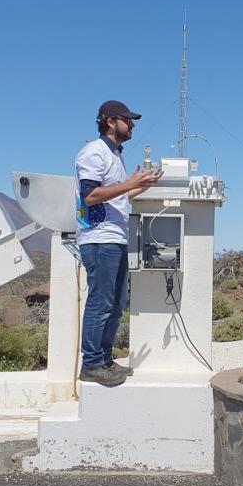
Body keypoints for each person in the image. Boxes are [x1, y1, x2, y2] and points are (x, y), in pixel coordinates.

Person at [75, 100, 161, 387]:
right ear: (111, 121)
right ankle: (91, 363)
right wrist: (128, 183)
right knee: (101, 301)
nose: (133, 125)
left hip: (114, 237)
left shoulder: (114, 155)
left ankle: (104, 359)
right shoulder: (93, 152)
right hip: (99, 239)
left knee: (116, 302)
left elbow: (117, 197)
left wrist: (142, 185)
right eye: (128, 120)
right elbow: (89, 196)